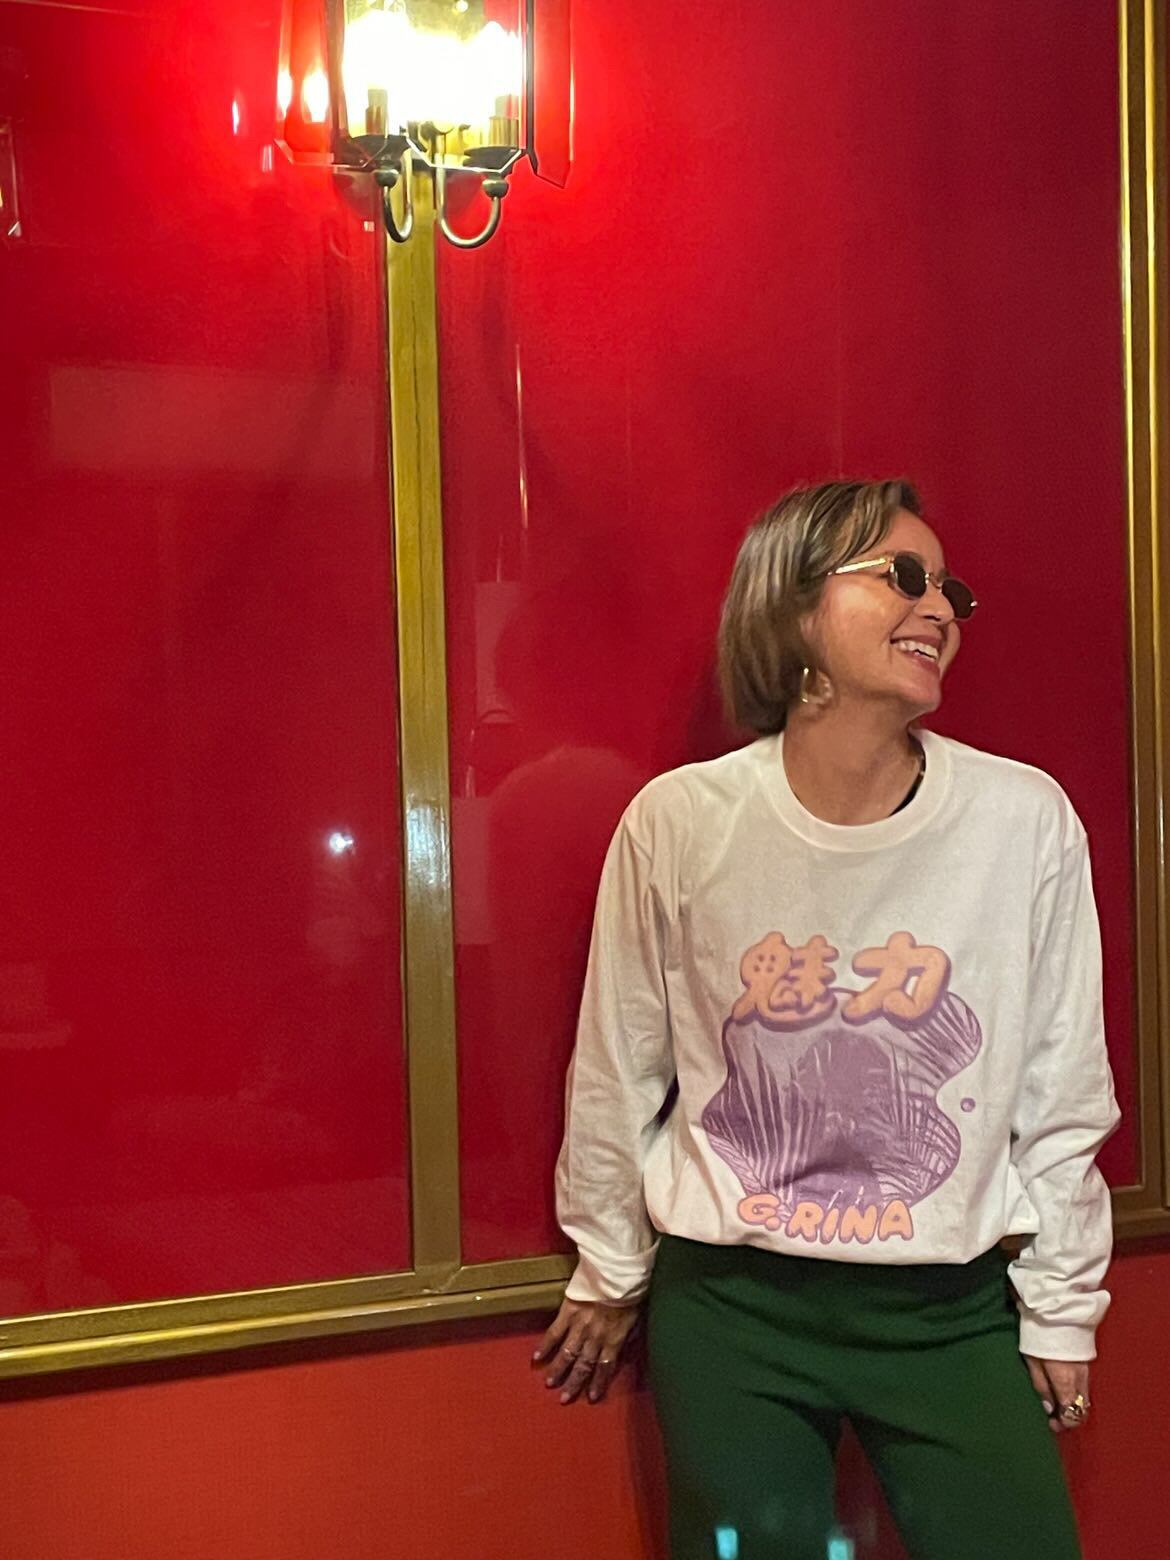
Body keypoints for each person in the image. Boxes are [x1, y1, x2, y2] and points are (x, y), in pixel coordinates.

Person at [533, 480, 1120, 1559]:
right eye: (904, 576)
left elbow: (1063, 1084)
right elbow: (619, 1064)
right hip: (735, 1310)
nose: (938, 608)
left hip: (948, 1311)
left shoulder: (1023, 819)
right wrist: (609, 1264)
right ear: (794, 604)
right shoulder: (680, 822)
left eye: (950, 591)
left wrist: (1062, 1303)